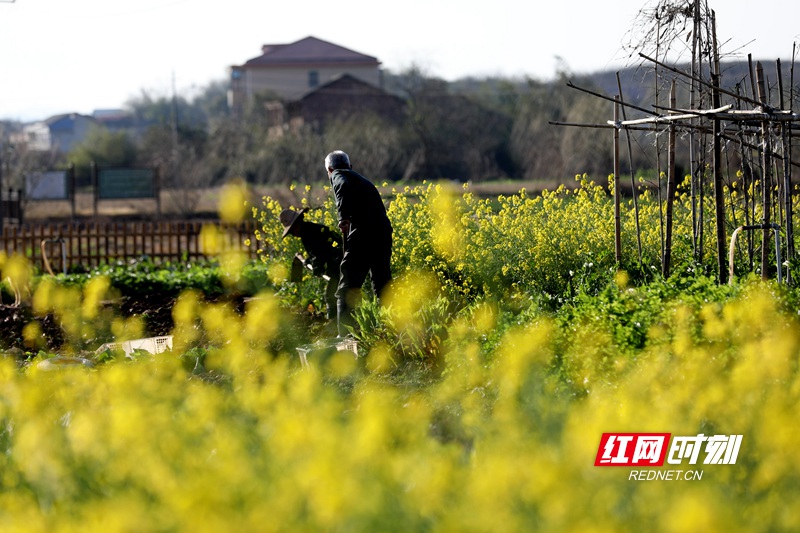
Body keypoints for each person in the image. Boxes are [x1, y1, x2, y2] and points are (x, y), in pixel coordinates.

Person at [324, 150, 393, 336]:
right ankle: (391, 331)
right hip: (383, 234)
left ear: (329, 170)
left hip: (364, 236)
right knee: (382, 284)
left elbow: (343, 186)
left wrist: (343, 218)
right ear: (350, 166)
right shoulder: (362, 179)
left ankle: (344, 336)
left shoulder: (339, 175)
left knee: (347, 285)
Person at [280, 207, 343, 321]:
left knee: (331, 296)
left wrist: (316, 266)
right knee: (333, 294)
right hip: (334, 261)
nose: (293, 235)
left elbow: (320, 252)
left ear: (297, 224)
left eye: (292, 230)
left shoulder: (310, 232)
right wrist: (310, 261)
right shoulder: (308, 231)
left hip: (338, 260)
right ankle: (335, 322)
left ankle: (335, 323)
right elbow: (316, 253)